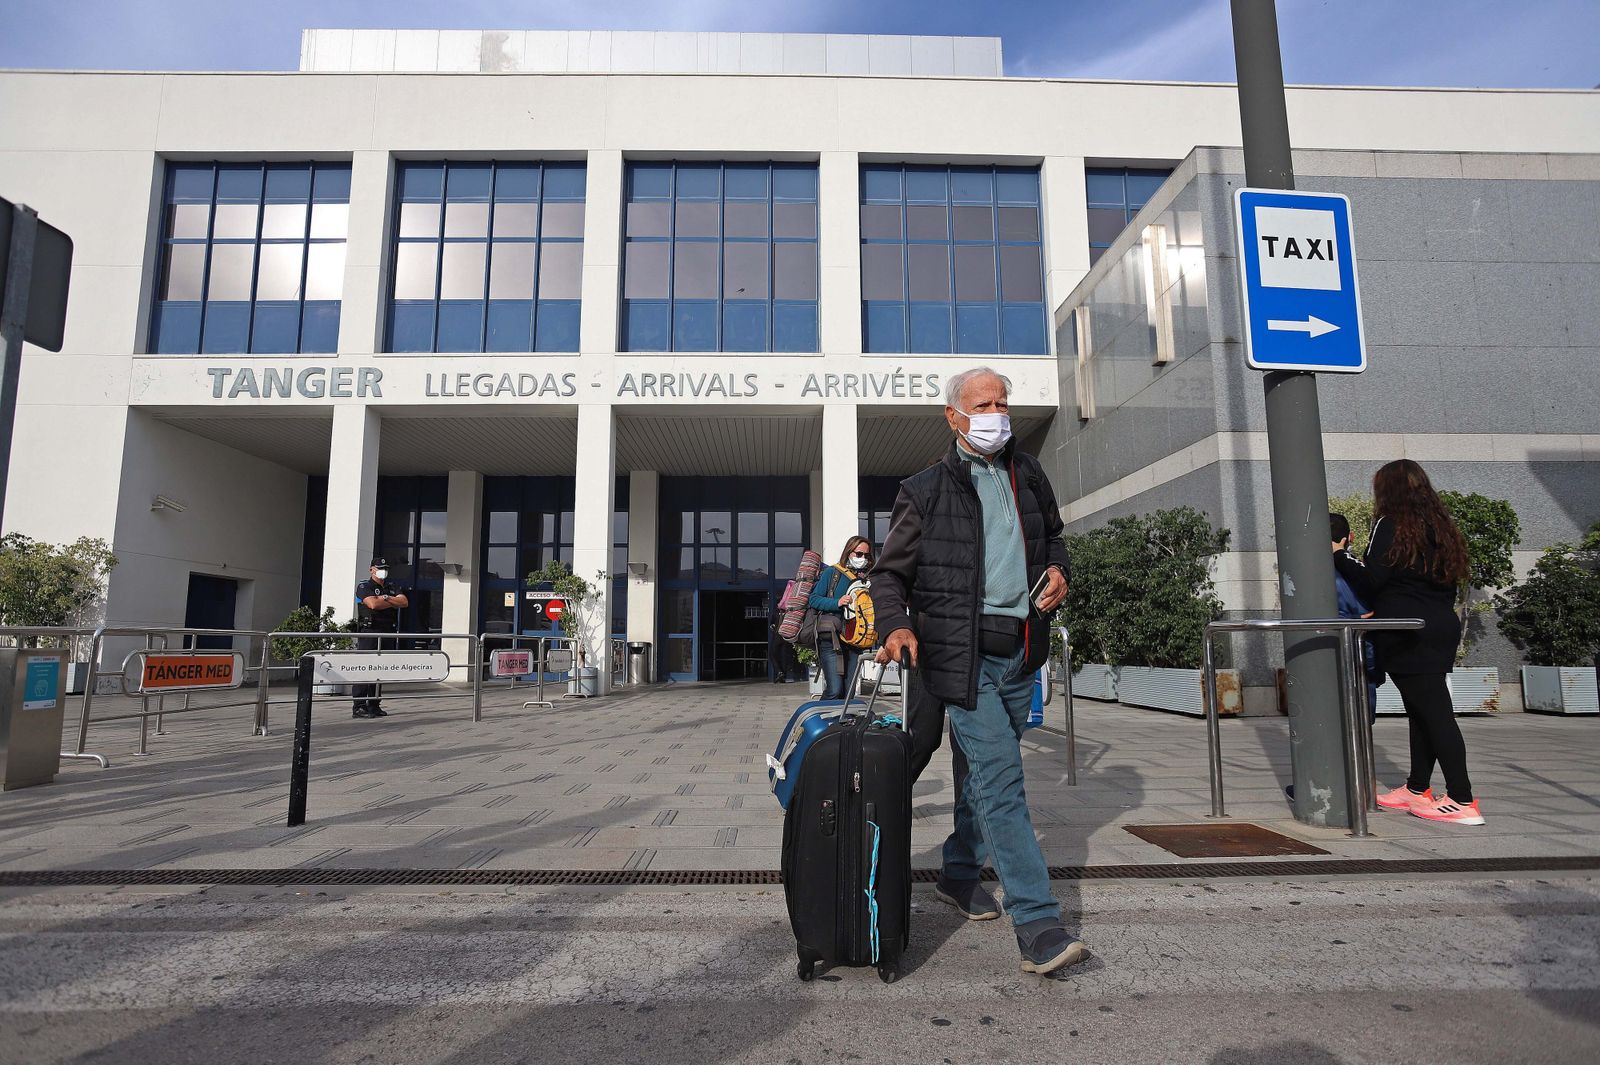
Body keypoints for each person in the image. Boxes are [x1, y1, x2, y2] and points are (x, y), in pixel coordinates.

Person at [872, 366, 1083, 975]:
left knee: (981, 779)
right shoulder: (925, 489)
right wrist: (896, 624)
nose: (996, 413)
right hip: (961, 661)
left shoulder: (1030, 474)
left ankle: (959, 871)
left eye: (1002, 401)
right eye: (983, 404)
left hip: (1021, 654)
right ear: (954, 417)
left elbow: (1056, 538)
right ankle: (1038, 924)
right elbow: (890, 575)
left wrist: (1061, 572)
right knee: (1003, 782)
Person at [1333, 460, 1483, 826]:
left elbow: (1374, 581)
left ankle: (1462, 798)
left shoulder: (1391, 525)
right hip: (1437, 625)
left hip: (1406, 630)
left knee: (1434, 714)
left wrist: (1339, 556)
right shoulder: (1437, 525)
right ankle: (1417, 788)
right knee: (1422, 711)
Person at [1331, 512, 1384, 722]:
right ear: (1349, 538)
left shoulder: (1315, 570)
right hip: (1361, 655)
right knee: (1359, 720)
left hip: (1338, 655)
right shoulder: (1353, 567)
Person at [806, 536, 873, 699]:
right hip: (831, 638)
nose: (862, 559)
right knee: (834, 689)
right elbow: (813, 599)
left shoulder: (866, 580)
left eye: (866, 556)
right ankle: (818, 720)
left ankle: (842, 722)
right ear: (848, 553)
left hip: (855, 640)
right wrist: (838, 602)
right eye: (858, 554)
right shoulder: (833, 572)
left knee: (849, 690)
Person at [352, 556, 408, 719]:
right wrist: (391, 601)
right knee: (365, 667)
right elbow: (372, 605)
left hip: (387, 631)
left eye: (385, 568)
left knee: (379, 669)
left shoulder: (392, 586)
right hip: (370, 632)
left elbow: (404, 602)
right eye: (379, 568)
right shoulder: (364, 586)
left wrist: (385, 598)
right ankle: (359, 705)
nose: (383, 571)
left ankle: (374, 704)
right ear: (371, 570)